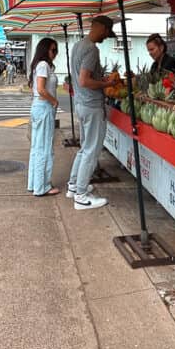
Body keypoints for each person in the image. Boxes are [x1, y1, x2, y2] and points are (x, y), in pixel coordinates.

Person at [67, 15, 120, 210]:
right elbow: (84, 80)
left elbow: (83, 78)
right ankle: (81, 195)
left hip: (81, 104)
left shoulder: (78, 46)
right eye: (107, 32)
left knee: (84, 147)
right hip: (91, 105)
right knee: (92, 149)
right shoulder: (91, 49)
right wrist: (107, 83)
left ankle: (74, 186)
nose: (106, 37)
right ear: (100, 27)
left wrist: (101, 78)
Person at [26, 38, 61, 196]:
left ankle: (35, 184)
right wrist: (54, 101)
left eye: (56, 50)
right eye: (53, 50)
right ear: (44, 50)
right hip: (44, 107)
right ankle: (42, 186)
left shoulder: (40, 65)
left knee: (37, 147)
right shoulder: (43, 65)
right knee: (44, 148)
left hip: (39, 107)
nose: (55, 53)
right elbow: (40, 89)